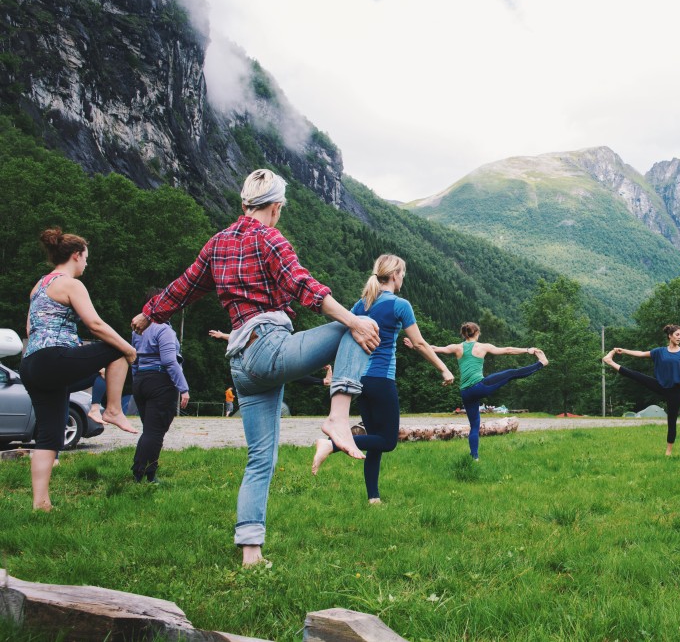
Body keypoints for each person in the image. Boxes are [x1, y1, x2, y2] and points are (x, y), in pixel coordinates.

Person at [131, 168, 380, 567]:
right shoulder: (270, 237)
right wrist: (353, 319)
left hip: (241, 362)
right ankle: (337, 418)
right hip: (268, 347)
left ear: (244, 203)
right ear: (276, 207)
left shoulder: (216, 245)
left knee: (260, 458)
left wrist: (148, 314)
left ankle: (251, 553)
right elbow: (304, 288)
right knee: (356, 328)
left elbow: (183, 287)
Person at [312, 254, 454, 503]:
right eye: (403, 275)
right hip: (381, 379)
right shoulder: (400, 304)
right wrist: (444, 368)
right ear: (395, 274)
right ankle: (332, 444)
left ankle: (373, 498)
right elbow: (419, 343)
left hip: (358, 381)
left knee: (375, 440)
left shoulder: (361, 304)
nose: (403, 280)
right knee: (387, 441)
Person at [20, 228, 138, 511]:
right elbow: (95, 325)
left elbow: (30, 328)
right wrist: (129, 348)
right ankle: (112, 409)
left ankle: (41, 504)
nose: (87, 264)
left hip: (31, 364)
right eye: (86, 258)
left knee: (49, 434)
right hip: (53, 359)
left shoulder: (38, 286)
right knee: (116, 350)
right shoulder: (70, 284)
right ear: (76, 255)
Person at [409, 321, 547, 460]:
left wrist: (415, 346)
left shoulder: (457, 347)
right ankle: (541, 363)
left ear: (464, 334)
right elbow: (508, 350)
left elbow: (432, 348)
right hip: (480, 387)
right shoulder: (482, 347)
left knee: (474, 426)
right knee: (511, 373)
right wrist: (527, 350)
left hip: (465, 392)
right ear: (477, 333)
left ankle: (474, 458)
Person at [602, 324, 680, 456]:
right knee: (637, 376)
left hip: (676, 391)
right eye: (677, 335)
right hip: (660, 385)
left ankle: (668, 451)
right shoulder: (660, 351)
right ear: (670, 336)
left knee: (672, 420)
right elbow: (641, 354)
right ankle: (610, 361)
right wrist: (624, 350)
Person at [130, 288, 190, 483]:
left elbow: (134, 360)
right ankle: (145, 475)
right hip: (160, 382)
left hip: (141, 381)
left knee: (149, 430)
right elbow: (170, 361)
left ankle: (141, 472)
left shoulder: (138, 329)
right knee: (155, 432)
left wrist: (136, 381)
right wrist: (183, 388)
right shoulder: (164, 330)